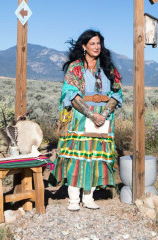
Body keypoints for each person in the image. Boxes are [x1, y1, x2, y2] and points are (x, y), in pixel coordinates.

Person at [50, 29, 123, 211]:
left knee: (95, 156)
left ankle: (89, 197)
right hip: (81, 117)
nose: (96, 47)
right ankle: (74, 199)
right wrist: (91, 114)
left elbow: (117, 93)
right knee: (78, 156)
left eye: (99, 43)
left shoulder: (108, 68)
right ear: (84, 46)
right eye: (92, 43)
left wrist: (104, 114)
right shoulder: (75, 68)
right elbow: (71, 94)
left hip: (104, 117)